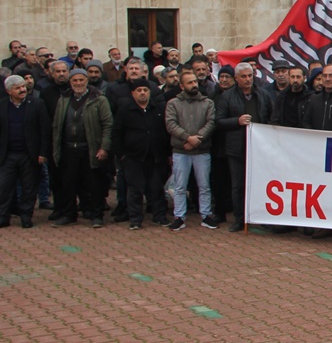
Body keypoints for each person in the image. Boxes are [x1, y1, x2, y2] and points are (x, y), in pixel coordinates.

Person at [215, 63, 274, 232]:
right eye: (244, 76)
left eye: (250, 75)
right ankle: (240, 219)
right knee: (238, 185)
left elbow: (272, 116)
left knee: (261, 183)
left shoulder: (263, 94)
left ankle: (261, 216)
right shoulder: (227, 97)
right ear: (236, 78)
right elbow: (218, 121)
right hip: (236, 148)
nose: (248, 79)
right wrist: (236, 121)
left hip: (260, 147)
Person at [50, 70, 113, 228]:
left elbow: (107, 125)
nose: (78, 83)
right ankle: (69, 214)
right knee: (68, 184)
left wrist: (104, 147)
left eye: (81, 80)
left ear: (86, 81)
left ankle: (96, 215)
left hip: (90, 148)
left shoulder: (99, 99)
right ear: (70, 82)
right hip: (69, 148)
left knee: (94, 185)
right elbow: (57, 125)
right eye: (74, 80)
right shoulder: (63, 99)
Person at [110, 77, 170, 230]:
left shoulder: (158, 109)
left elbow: (165, 132)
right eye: (139, 90)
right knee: (135, 190)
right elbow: (116, 134)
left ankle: (159, 217)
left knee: (157, 188)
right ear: (133, 93)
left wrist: (167, 154)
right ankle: (135, 219)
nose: (142, 93)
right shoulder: (125, 110)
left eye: (145, 90)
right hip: (133, 158)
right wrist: (122, 155)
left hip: (156, 156)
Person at [164, 68, 217, 231]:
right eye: (190, 82)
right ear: (181, 86)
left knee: (204, 185)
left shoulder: (207, 103)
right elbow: (171, 124)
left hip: (201, 151)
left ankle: (206, 215)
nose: (194, 85)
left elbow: (210, 122)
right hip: (181, 151)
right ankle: (179, 216)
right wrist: (188, 138)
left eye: (195, 81)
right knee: (180, 186)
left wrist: (196, 140)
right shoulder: (173, 103)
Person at [0, 75, 50, 229]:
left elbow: (45, 130)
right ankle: (3, 216)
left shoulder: (37, 104)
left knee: (29, 187)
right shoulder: (2, 105)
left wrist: (43, 152)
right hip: (7, 155)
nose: (22, 90)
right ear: (9, 91)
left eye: (23, 86)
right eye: (18, 88)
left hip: (30, 154)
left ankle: (26, 216)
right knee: (4, 187)